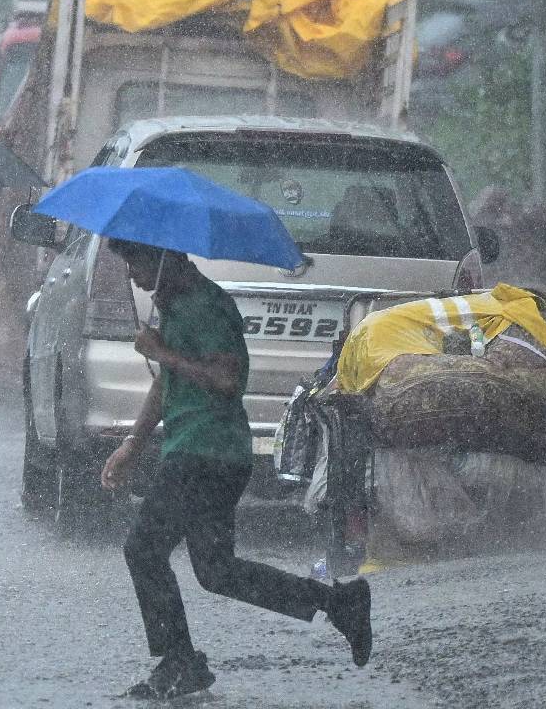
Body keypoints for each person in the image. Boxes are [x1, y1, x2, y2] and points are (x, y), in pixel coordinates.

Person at [99, 238, 372, 700]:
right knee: (217, 572)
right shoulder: (175, 305)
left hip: (206, 453)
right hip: (203, 452)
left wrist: (165, 353)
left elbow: (227, 380)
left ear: (165, 256)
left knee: (143, 549)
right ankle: (338, 602)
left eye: (136, 261)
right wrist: (134, 442)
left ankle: (180, 661)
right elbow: (168, 383)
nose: (131, 273)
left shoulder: (207, 306)